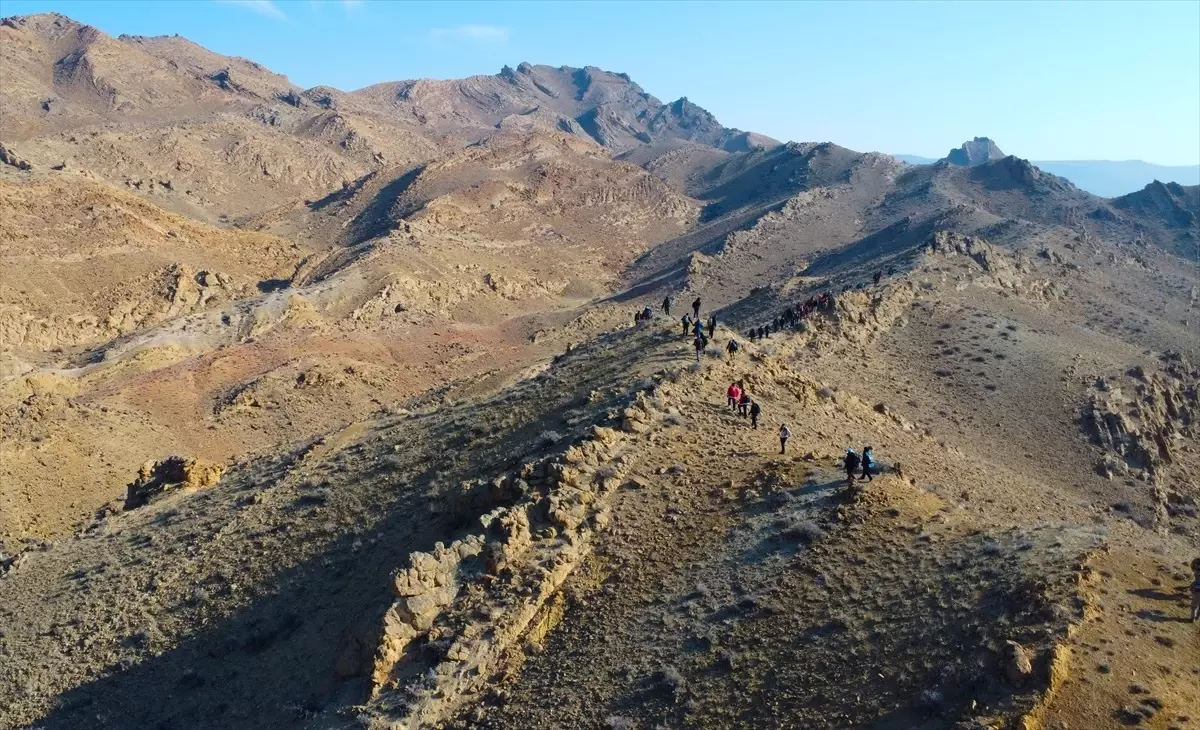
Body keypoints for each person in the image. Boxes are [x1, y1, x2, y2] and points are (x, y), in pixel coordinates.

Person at [1191, 557, 1200, 623]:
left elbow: (1192, 567)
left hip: (1197, 589)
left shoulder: (1196, 561)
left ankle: (1193, 618)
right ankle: (1197, 617)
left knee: (1194, 605)